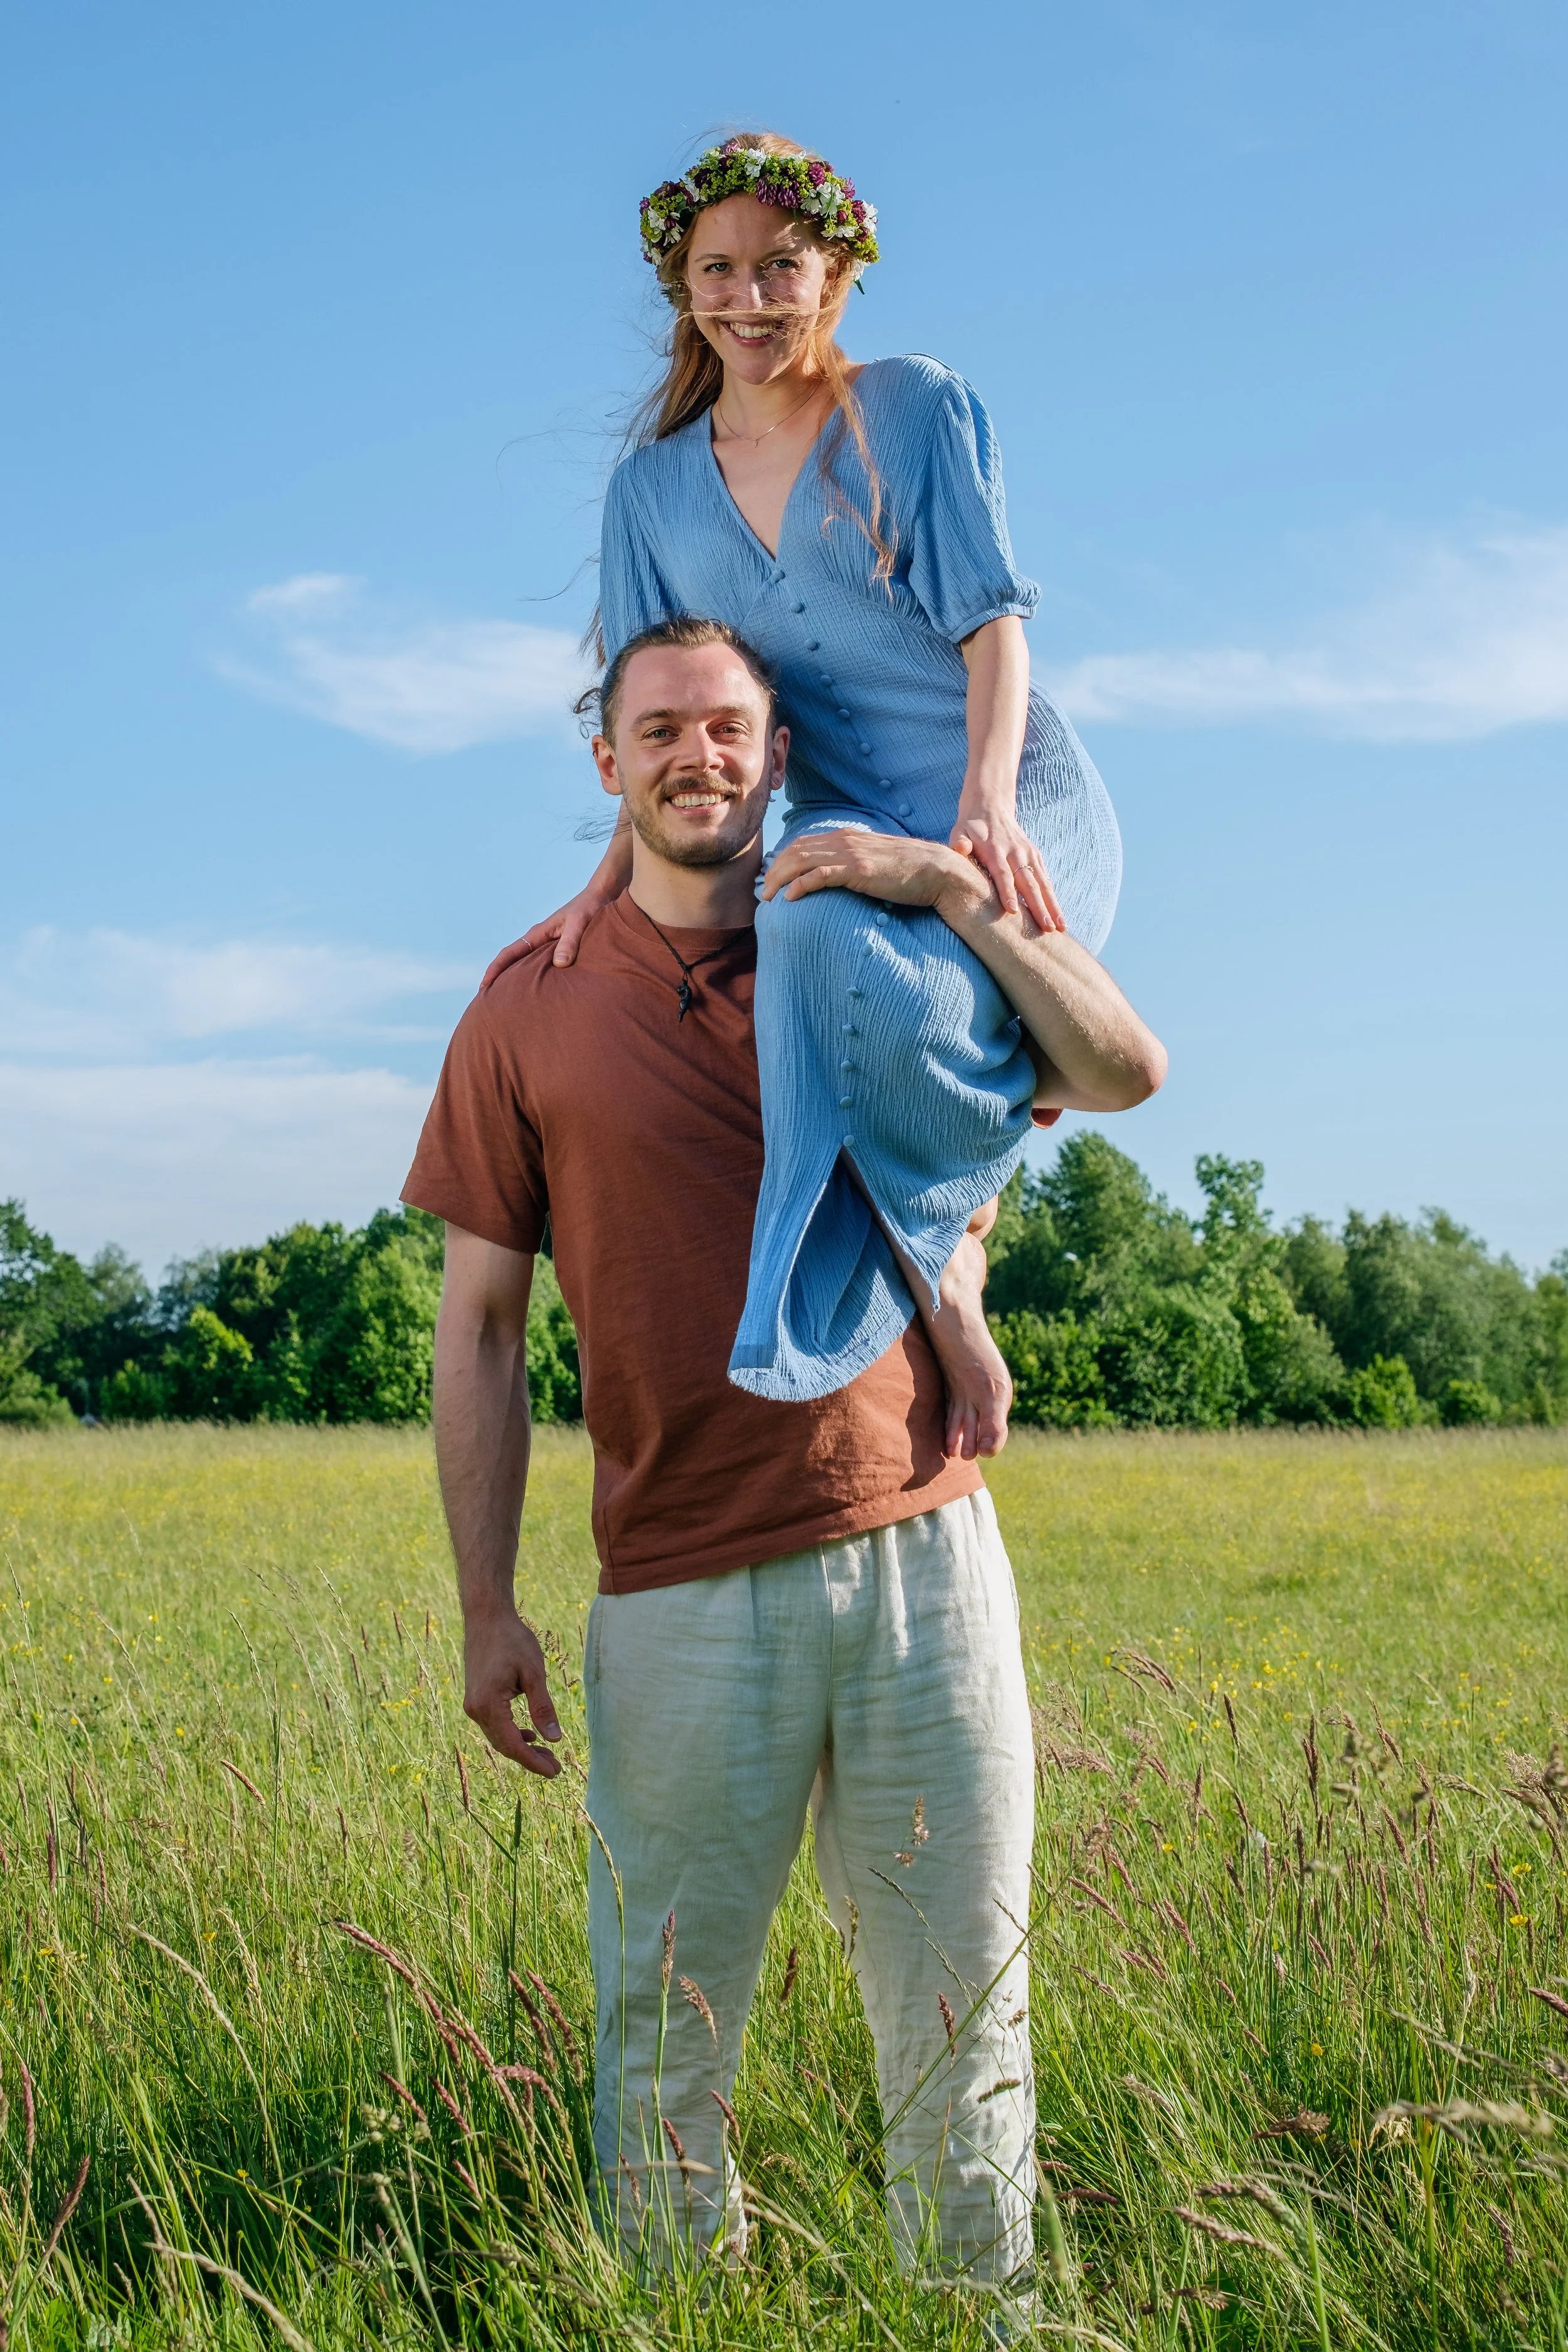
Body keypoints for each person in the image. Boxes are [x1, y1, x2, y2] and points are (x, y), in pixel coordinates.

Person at [405, 620, 1165, 2291]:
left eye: (733, 726)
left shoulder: (872, 928)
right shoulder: (519, 1007)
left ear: (775, 746)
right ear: (604, 758)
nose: (702, 754)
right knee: (660, 2031)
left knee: (966, 2010)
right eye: (662, 726)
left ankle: (983, 2322)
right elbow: (475, 1331)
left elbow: (1106, 1071)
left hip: (923, 1553)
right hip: (674, 1583)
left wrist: (959, 889)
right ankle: (676, 2320)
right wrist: (483, 1602)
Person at [489, 130, 1123, 1451]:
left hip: (1002, 788)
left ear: (834, 271)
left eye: (781, 268)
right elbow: (652, 702)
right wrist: (598, 892)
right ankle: (928, 1270)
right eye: (717, 271)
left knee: (952, 1004)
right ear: (681, 286)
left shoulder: (913, 408)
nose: (750, 298)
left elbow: (991, 626)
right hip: (839, 805)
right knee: (799, 928)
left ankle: (957, 1232)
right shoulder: (649, 493)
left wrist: (985, 817)